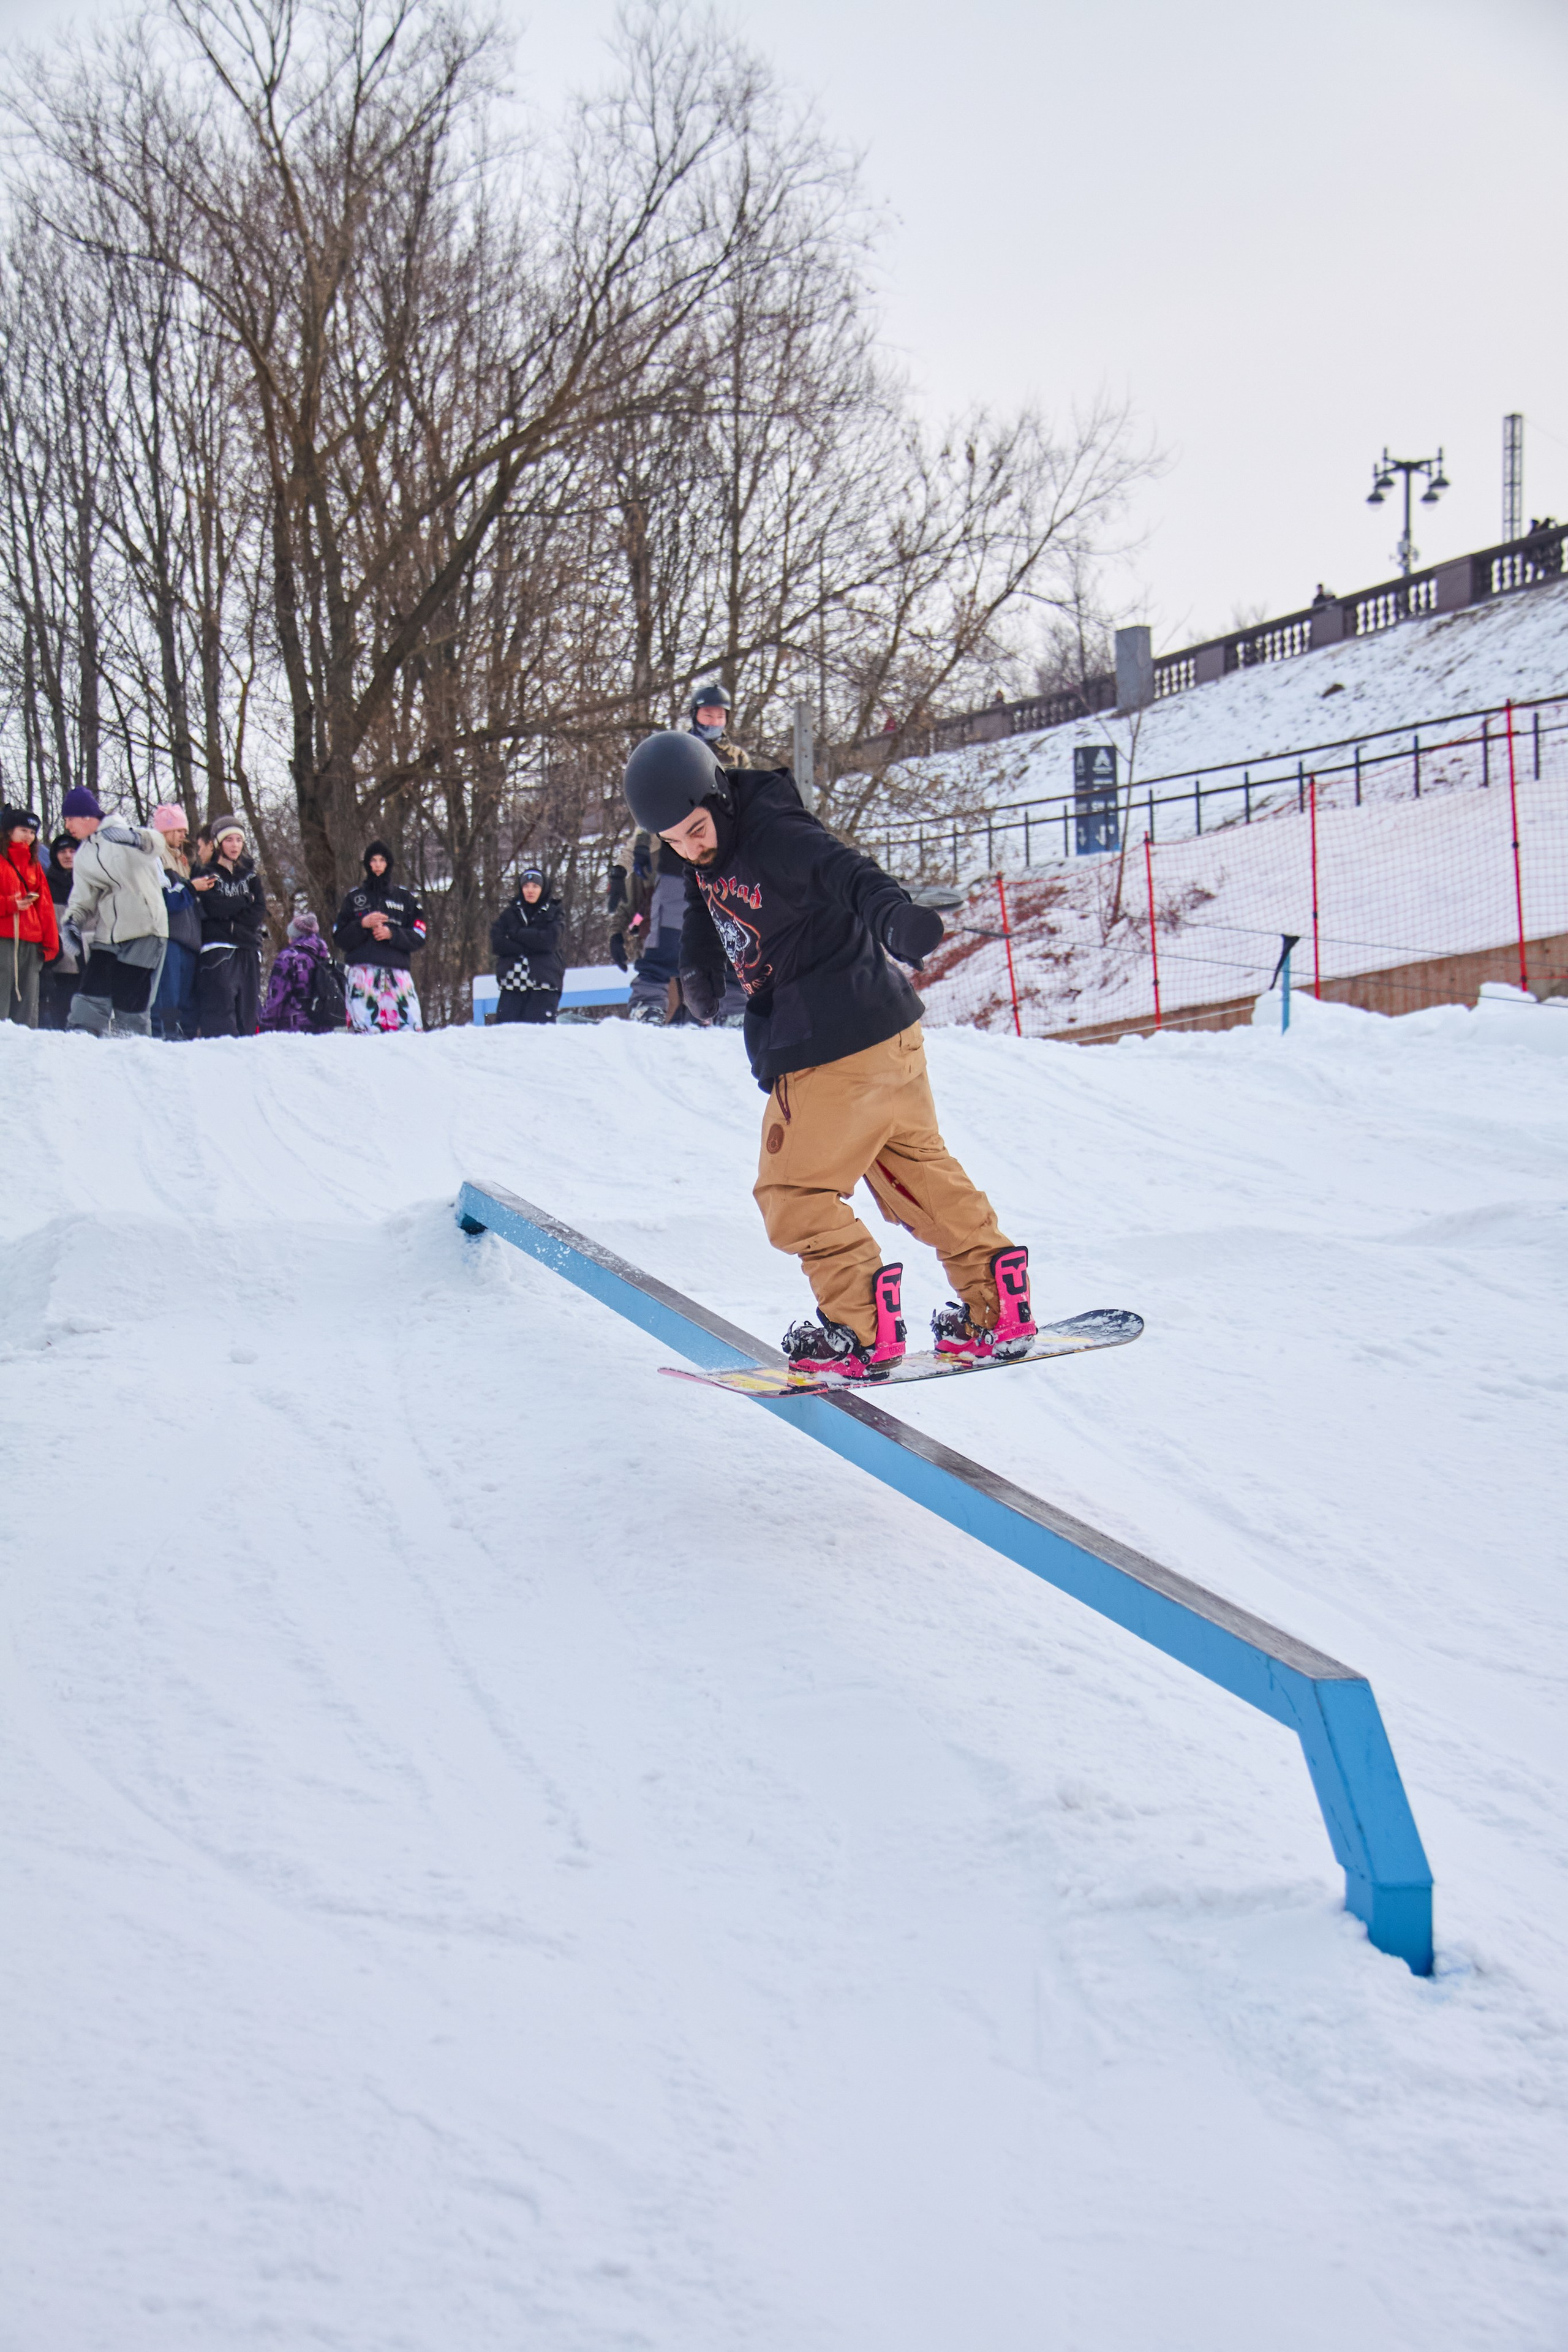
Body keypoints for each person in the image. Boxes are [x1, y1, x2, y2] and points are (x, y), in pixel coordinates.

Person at [622, 730, 1036, 1381]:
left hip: (829, 1044)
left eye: (697, 829)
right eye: (674, 841)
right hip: (887, 1035)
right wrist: (696, 959)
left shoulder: (775, 831)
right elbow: (707, 885)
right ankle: (997, 1301)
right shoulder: (707, 845)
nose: (691, 847)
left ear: (720, 799)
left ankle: (861, 1330)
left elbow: (843, 872)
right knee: (916, 1178)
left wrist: (894, 915)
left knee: (792, 1194)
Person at [62, 788, 169, 1038]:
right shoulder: (84, 855)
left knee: (130, 997)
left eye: (70, 819)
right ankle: (82, 1035)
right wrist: (72, 923)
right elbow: (82, 898)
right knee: (92, 988)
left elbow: (157, 843)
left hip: (146, 929)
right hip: (108, 933)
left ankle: (131, 1044)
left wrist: (134, 838)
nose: (67, 826)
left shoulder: (121, 833)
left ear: (87, 816)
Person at [331, 840, 426, 1032]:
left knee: (410, 1030)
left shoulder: (405, 898)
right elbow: (339, 937)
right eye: (373, 860)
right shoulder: (353, 898)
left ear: (389, 863)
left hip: (397, 972)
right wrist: (362, 925)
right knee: (364, 1033)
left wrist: (393, 934)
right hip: (362, 973)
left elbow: (420, 935)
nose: (377, 865)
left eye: (382, 860)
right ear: (367, 864)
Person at [192, 815, 266, 1037]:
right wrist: (244, 901)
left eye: (239, 840)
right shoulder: (206, 874)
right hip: (218, 951)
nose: (235, 845)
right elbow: (214, 908)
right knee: (221, 1014)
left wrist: (233, 914)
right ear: (218, 843)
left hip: (248, 948)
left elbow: (258, 912)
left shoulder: (251, 877)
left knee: (248, 1014)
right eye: (229, 840)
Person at [609, 827, 691, 1022]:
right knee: (672, 1001)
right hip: (661, 937)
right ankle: (654, 1023)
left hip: (697, 940)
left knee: (695, 999)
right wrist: (616, 933)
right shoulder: (652, 855)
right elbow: (631, 902)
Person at [0, 806, 58, 1026]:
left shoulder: (35, 864)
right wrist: (10, 904)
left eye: (32, 832)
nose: (28, 836)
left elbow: (45, 906)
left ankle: (25, 1053)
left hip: (31, 941)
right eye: (23, 830)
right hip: (3, 939)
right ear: (8, 831)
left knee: (27, 1004)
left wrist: (51, 943)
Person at [149, 804, 202, 1040]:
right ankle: (164, 1035)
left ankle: (184, 1035)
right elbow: (167, 901)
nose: (183, 836)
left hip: (188, 940)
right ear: (165, 831)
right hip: (170, 937)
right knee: (166, 994)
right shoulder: (156, 858)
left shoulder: (182, 860)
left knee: (185, 996)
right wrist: (191, 887)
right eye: (179, 830)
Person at [490, 864, 565, 1023]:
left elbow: (549, 942)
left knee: (538, 1038)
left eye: (535, 886)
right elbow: (497, 943)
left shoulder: (553, 913)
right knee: (505, 1037)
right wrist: (530, 945)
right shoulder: (510, 914)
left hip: (544, 985)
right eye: (526, 886)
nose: (530, 890)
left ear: (543, 888)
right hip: (512, 986)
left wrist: (516, 935)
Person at [260, 907, 337, 1032]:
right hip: (322, 1025)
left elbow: (276, 997)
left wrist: (266, 1024)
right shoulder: (325, 957)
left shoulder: (288, 958)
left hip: (293, 1027)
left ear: (294, 936)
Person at [39, 833, 81, 1029]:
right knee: (59, 1016)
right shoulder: (45, 883)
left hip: (86, 960)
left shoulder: (90, 883)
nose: (67, 856)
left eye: (73, 851)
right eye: (62, 851)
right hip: (58, 961)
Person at [687, 683, 750, 769]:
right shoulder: (679, 749)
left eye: (720, 717)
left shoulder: (738, 756)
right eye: (708, 716)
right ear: (694, 715)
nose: (715, 722)